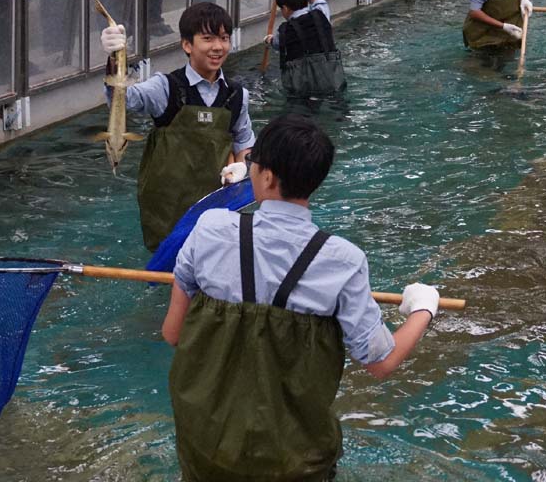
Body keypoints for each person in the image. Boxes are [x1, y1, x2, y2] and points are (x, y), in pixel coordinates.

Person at [163, 114, 440, 481]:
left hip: (205, 452)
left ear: (267, 176)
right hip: (292, 461)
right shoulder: (342, 260)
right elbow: (381, 362)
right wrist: (423, 308)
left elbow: (174, 333)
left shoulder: (210, 228)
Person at [99, 1, 255, 251]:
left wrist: (241, 168)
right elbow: (124, 99)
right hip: (167, 211)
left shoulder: (237, 95)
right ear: (187, 45)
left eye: (224, 38)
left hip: (215, 209)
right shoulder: (166, 87)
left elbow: (244, 143)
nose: (218, 47)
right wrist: (114, 58)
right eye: (208, 38)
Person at [265, 0, 345, 98]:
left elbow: (276, 43)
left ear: (285, 8)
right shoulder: (321, 14)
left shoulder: (283, 31)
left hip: (302, 90)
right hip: (332, 81)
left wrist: (269, 39)